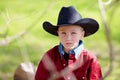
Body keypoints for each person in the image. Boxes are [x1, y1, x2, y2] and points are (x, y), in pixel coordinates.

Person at [35, 6, 103, 80]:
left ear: (82, 34)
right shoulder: (49, 56)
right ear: (58, 34)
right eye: (63, 33)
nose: (68, 38)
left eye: (73, 33)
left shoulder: (90, 59)